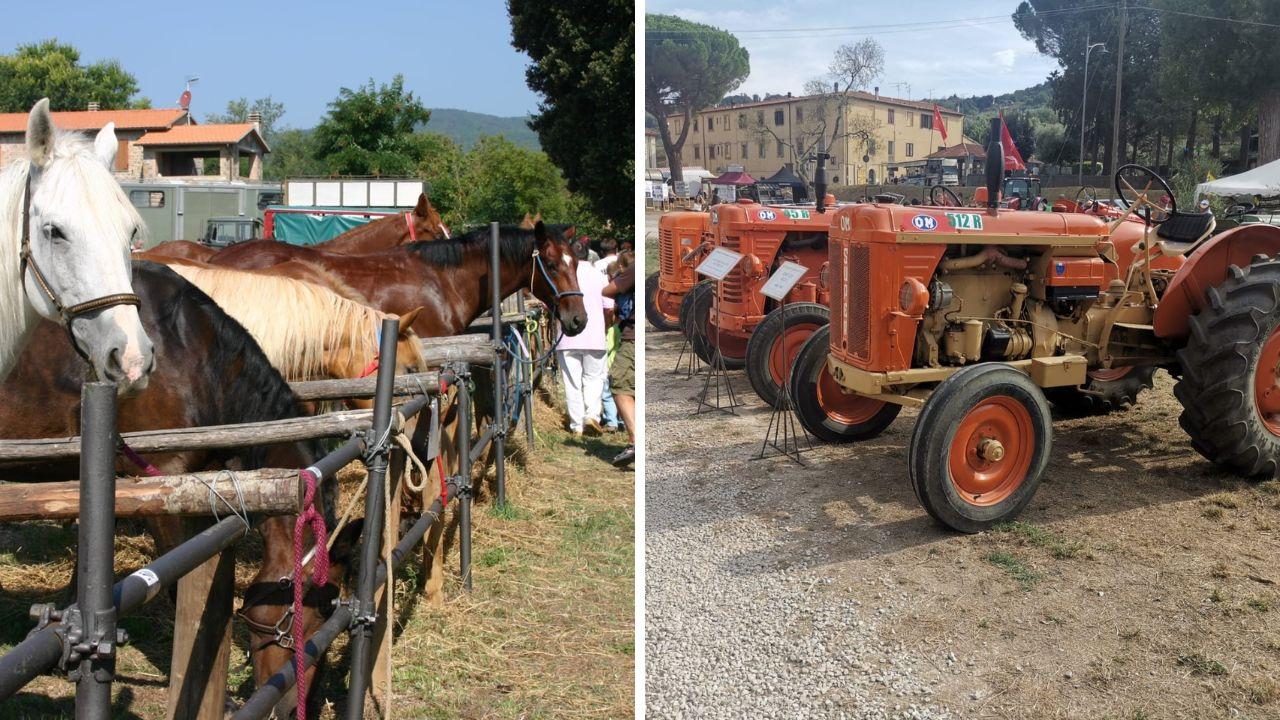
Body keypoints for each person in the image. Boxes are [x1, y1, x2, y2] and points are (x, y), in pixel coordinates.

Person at [558, 241, 613, 436]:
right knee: (594, 378)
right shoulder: (599, 275)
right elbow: (609, 307)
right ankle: (592, 416)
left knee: (572, 383)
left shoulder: (561, 273)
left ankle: (576, 425)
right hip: (595, 335)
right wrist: (605, 327)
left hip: (567, 337)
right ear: (588, 255)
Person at [603, 251, 636, 466]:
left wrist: (619, 278)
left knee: (619, 384)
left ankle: (636, 441)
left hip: (632, 336)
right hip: (629, 333)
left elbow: (606, 290)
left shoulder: (631, 271)